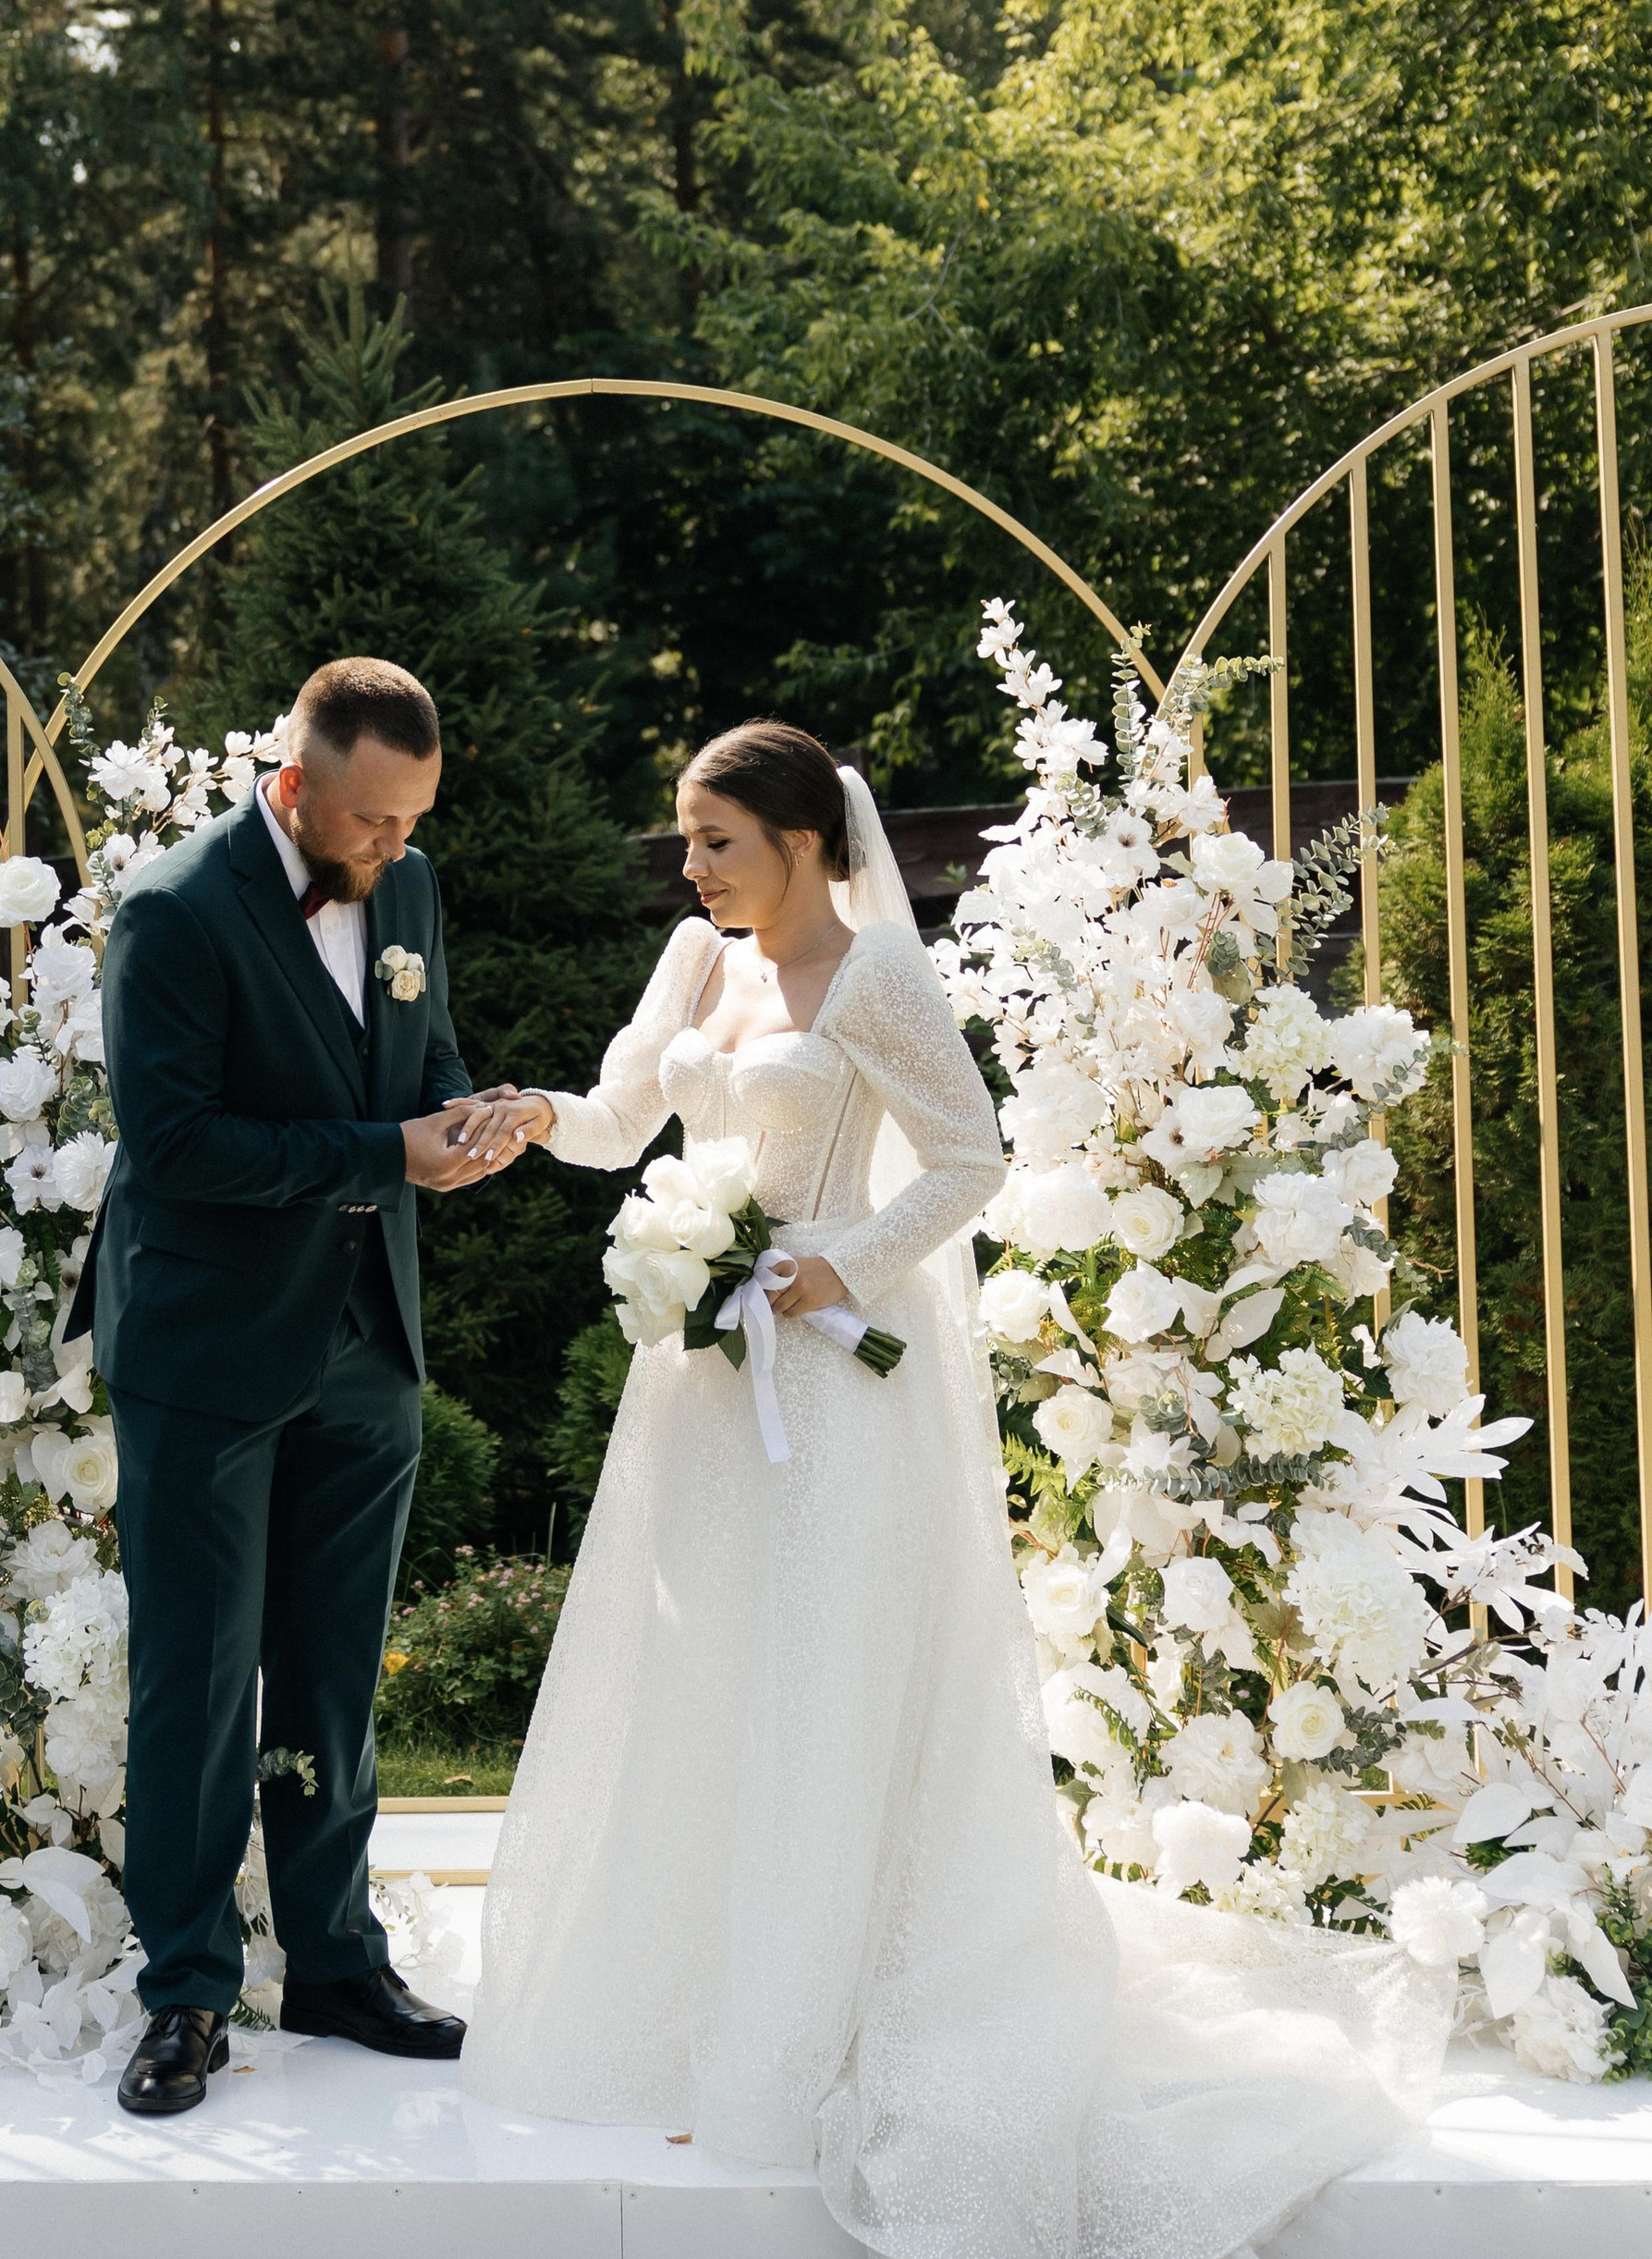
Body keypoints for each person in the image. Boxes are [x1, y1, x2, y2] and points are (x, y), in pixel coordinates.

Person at [457, 721, 1444, 2259]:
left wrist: (832, 1261)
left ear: (804, 840)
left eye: (719, 839)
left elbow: (969, 1162)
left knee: (825, 1678)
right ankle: (693, 1991)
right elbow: (619, 1123)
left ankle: (819, 2014)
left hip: (834, 1378)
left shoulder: (876, 979)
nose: (693, 864)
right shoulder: (691, 965)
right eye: (688, 838)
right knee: (705, 1671)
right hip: (706, 1390)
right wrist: (536, 1122)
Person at [88, 655, 527, 2120]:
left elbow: (422, 1056)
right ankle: (188, 1994)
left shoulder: (408, 892)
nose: (397, 848)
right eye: (373, 822)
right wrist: (379, 1155)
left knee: (333, 1680)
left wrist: (467, 1118)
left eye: (414, 820)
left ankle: (335, 1962)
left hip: (366, 1344)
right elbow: (176, 1144)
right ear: (295, 781)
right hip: (208, 1349)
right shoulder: (173, 908)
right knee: (199, 1684)